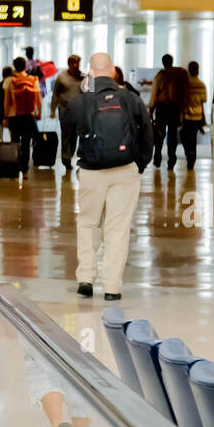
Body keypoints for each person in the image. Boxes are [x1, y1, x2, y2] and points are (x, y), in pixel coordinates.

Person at [65, 52, 153, 300]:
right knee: (118, 228)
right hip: (125, 170)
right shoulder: (130, 98)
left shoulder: (80, 99)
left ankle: (85, 278)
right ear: (114, 71)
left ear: (90, 72)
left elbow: (68, 130)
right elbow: (148, 133)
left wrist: (72, 158)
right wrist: (140, 164)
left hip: (92, 171)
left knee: (89, 222)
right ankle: (112, 287)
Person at [148, 54, 190, 169]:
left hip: (162, 109)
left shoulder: (160, 76)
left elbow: (154, 95)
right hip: (175, 109)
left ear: (163, 63)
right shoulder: (180, 74)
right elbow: (185, 92)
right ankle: (172, 160)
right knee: (172, 135)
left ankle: (157, 158)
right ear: (172, 61)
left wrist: (151, 110)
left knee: (160, 135)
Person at [5, 56, 42, 177]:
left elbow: (7, 101)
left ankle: (14, 168)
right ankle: (25, 169)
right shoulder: (33, 79)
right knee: (26, 142)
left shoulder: (9, 80)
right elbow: (38, 99)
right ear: (25, 66)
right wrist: (39, 113)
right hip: (28, 115)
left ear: (14, 66)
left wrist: (5, 117)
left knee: (15, 142)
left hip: (14, 115)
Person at [50, 55, 84, 172]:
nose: (75, 65)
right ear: (69, 64)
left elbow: (92, 91)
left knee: (75, 136)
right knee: (66, 135)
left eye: (77, 63)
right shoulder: (61, 77)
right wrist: (52, 110)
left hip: (79, 111)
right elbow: (55, 94)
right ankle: (66, 159)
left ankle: (70, 155)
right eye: (73, 63)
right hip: (65, 110)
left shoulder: (83, 76)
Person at [180, 61, 208, 171]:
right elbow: (203, 102)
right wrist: (203, 118)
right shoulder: (202, 85)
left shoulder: (185, 85)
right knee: (193, 139)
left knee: (184, 137)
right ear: (198, 70)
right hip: (198, 116)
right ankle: (192, 158)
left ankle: (189, 155)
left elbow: (182, 101)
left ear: (188, 70)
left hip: (187, 116)